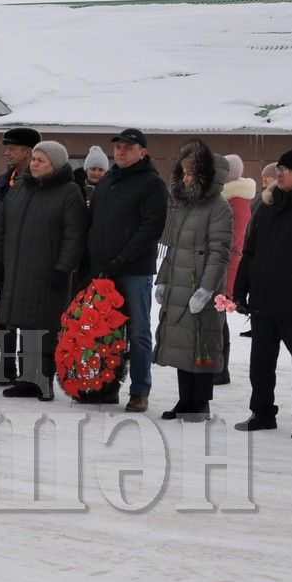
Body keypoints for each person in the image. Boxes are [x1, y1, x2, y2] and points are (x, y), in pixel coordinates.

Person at [0, 140, 87, 401]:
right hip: (17, 269)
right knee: (23, 324)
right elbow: (2, 226)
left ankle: (43, 382)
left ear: (54, 165)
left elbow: (74, 235)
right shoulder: (20, 187)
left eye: (40, 160)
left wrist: (63, 268)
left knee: (44, 328)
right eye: (33, 158)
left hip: (48, 271)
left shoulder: (69, 192)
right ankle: (26, 380)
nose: (34, 163)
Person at [85, 128, 169, 412]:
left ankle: (139, 390)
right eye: (118, 147)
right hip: (103, 271)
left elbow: (150, 230)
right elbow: (94, 224)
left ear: (142, 152)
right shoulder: (108, 181)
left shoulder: (152, 184)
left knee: (138, 332)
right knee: (106, 332)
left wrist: (120, 261)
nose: (120, 151)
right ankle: (108, 387)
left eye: (128, 148)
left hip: (134, 272)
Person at [153, 140, 232, 420]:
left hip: (200, 286)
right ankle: (184, 399)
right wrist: (163, 279)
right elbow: (173, 246)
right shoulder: (185, 205)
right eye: (183, 173)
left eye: (190, 174)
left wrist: (206, 290)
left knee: (202, 344)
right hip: (179, 283)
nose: (185, 178)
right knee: (181, 343)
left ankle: (200, 401)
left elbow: (219, 253)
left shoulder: (219, 207)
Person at [233, 150, 292, 436]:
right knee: (260, 362)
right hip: (263, 299)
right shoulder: (266, 205)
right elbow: (250, 251)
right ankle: (262, 413)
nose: (280, 172)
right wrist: (240, 288)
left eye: (287, 168)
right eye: (280, 167)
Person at [0, 126, 41, 385]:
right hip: (4, 257)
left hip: (28, 259)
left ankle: (30, 371)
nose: (7, 152)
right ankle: (6, 367)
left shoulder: (38, 182)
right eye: (6, 147)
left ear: (28, 152)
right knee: (4, 315)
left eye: (12, 148)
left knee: (27, 317)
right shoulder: (5, 182)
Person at [217, 154, 255, 384]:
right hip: (224, 263)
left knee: (218, 317)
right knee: (216, 317)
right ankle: (218, 368)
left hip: (227, 266)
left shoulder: (237, 200)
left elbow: (233, 238)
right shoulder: (230, 197)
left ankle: (221, 370)